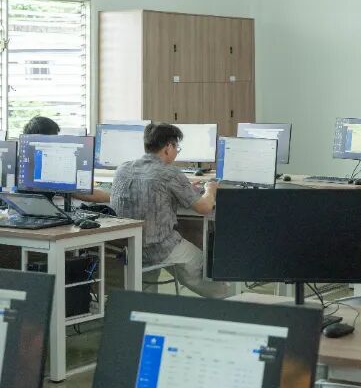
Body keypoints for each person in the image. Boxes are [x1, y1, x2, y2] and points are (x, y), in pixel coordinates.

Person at [110, 122, 227, 298]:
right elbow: (204, 207)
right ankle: (233, 301)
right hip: (160, 248)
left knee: (146, 282)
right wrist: (210, 189)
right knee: (210, 274)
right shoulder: (170, 173)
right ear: (168, 147)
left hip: (130, 248)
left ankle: (144, 310)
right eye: (176, 148)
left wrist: (185, 188)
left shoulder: (123, 168)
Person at [21, 116, 112, 204]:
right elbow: (81, 193)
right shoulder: (48, 162)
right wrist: (113, 198)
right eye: (55, 137)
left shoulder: (23, 161)